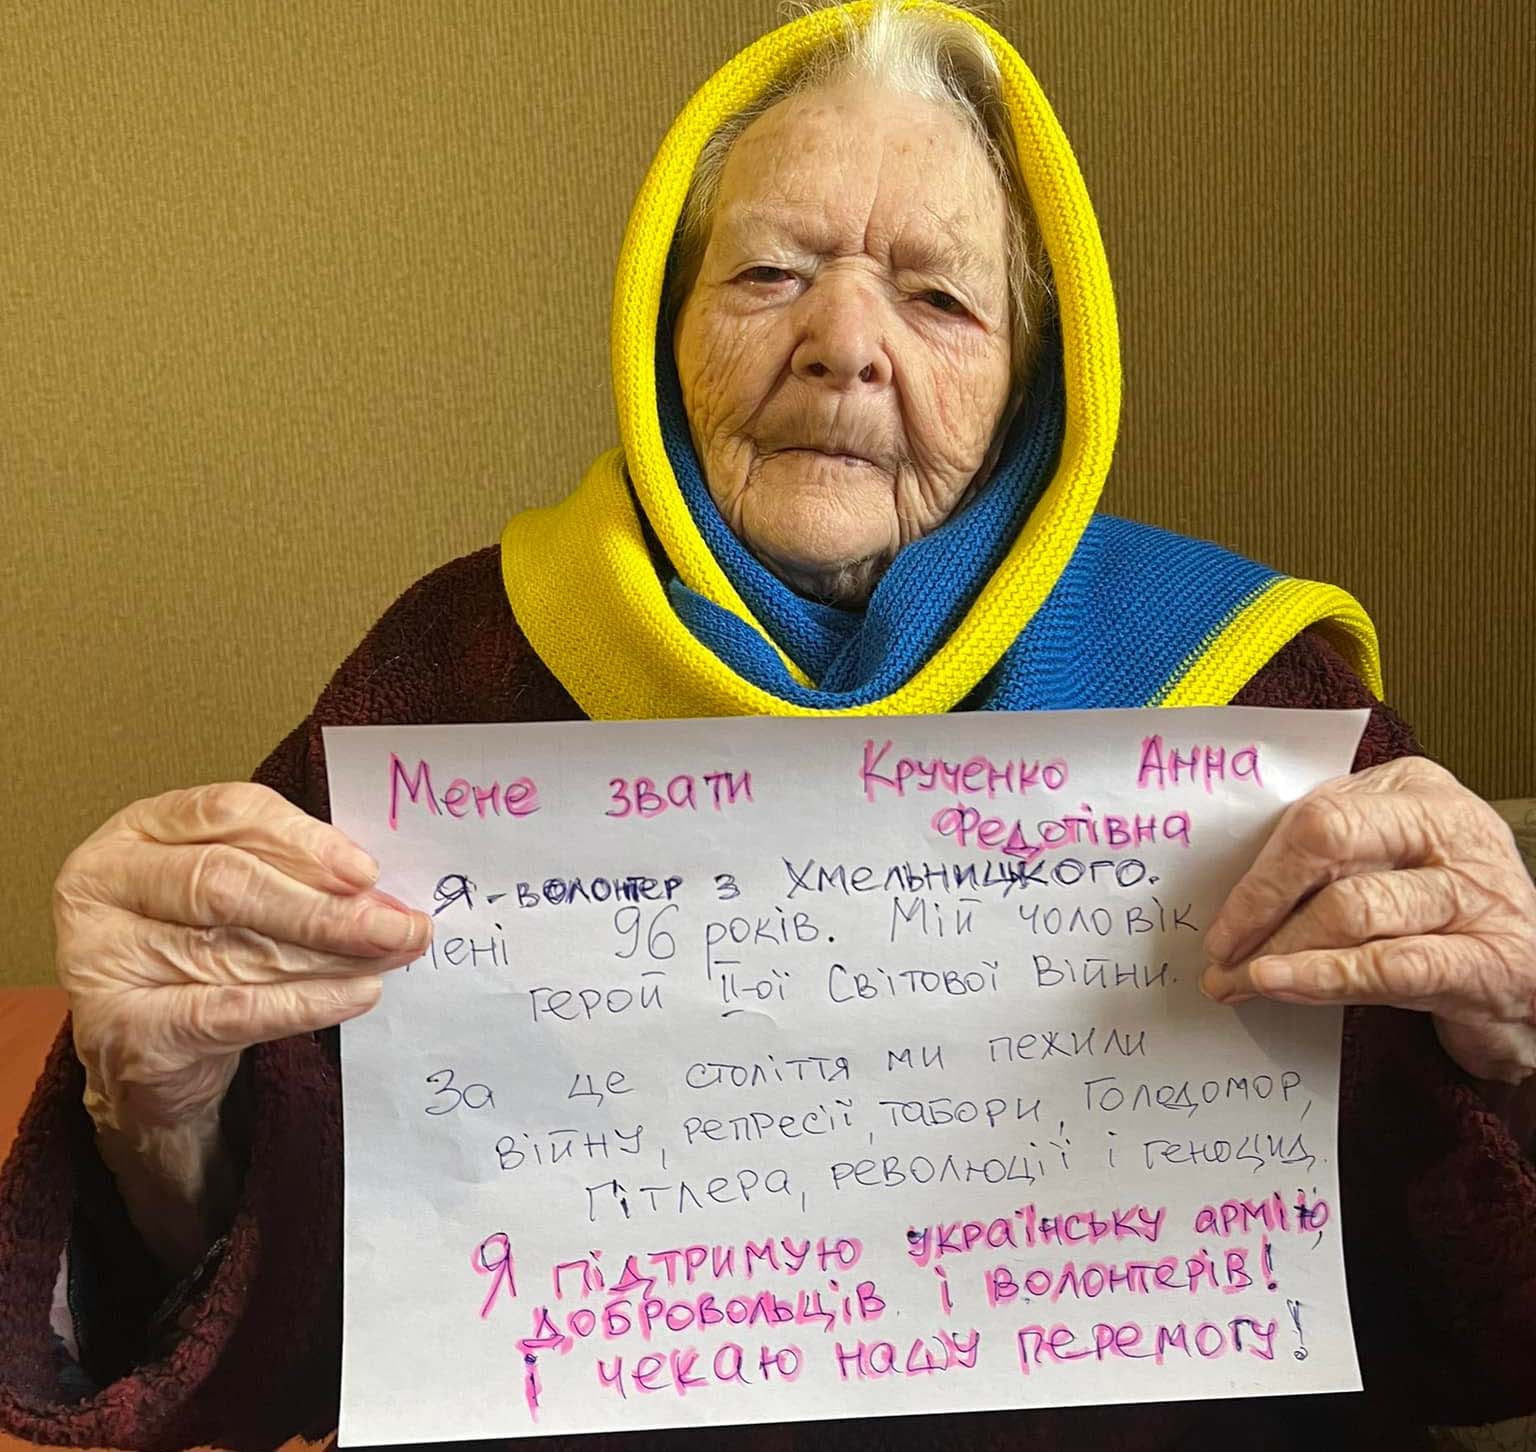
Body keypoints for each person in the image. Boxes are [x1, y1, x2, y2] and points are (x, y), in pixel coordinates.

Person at [2, 1, 1533, 1447]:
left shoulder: (1253, 697)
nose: (844, 343)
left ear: (1035, 380)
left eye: (938, 296)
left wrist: (1511, 1045)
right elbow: (294, 1344)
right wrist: (157, 1122)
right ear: (659, 332)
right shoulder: (455, 673)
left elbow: (1467, 1334)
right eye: (770, 275)